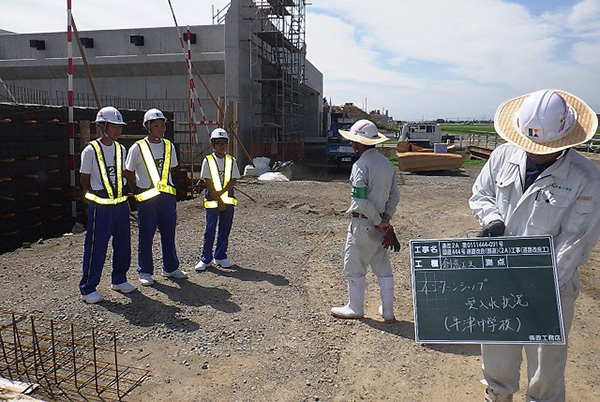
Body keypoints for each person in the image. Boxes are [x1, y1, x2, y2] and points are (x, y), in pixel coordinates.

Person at [470, 89, 600, 402]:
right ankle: (498, 395)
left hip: (553, 285)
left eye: (543, 147)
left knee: (546, 366)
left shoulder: (585, 177)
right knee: (498, 351)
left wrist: (538, 285)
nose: (534, 152)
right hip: (500, 276)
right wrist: (492, 220)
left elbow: (575, 241)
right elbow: (481, 193)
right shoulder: (503, 155)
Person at [331, 120, 401, 322]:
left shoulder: (360, 166)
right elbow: (395, 195)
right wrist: (385, 219)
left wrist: (378, 220)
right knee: (382, 267)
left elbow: (360, 200)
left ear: (357, 143)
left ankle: (355, 307)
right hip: (381, 226)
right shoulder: (386, 164)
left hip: (363, 224)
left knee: (355, 265)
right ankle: (388, 311)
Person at [124, 108, 187, 286]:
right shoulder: (138, 147)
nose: (161, 129)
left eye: (162, 126)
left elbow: (171, 168)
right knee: (146, 234)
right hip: (147, 198)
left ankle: (170, 267)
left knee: (169, 232)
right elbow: (128, 171)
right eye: (157, 125)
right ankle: (144, 270)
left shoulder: (169, 146)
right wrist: (135, 190)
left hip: (166, 197)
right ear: (148, 127)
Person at [79, 106, 135, 303]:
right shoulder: (90, 150)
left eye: (119, 127)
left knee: (123, 244)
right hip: (101, 206)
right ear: (102, 126)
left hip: (120, 205)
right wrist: (90, 201)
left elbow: (123, 176)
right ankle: (88, 288)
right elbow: (84, 179)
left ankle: (119, 279)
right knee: (96, 247)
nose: (117, 130)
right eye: (113, 126)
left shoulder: (122, 149)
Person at [195, 128, 240, 271]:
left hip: (227, 201)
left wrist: (222, 194)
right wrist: (218, 198)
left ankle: (220, 256)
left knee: (225, 229)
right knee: (210, 229)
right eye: (218, 143)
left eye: (224, 143)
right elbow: (207, 181)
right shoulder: (207, 161)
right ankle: (206, 258)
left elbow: (233, 180)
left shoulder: (231, 160)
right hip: (213, 201)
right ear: (213, 144)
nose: (221, 145)